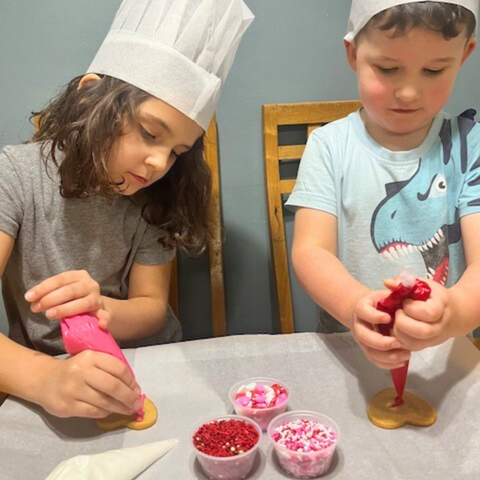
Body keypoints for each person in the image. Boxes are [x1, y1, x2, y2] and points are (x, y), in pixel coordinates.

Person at [0, 0, 253, 419]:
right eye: (149, 132)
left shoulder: (154, 197)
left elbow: (152, 308)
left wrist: (103, 310)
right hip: (49, 372)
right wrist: (43, 379)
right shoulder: (14, 177)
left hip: (149, 364)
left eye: (177, 151)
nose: (159, 164)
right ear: (88, 99)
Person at [287, 0, 480, 370]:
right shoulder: (328, 146)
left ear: (464, 55)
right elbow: (311, 251)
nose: (408, 92)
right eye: (388, 68)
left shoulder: (471, 147)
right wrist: (356, 306)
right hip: (351, 348)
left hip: (448, 357)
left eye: (434, 70)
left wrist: (454, 314)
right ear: (354, 53)